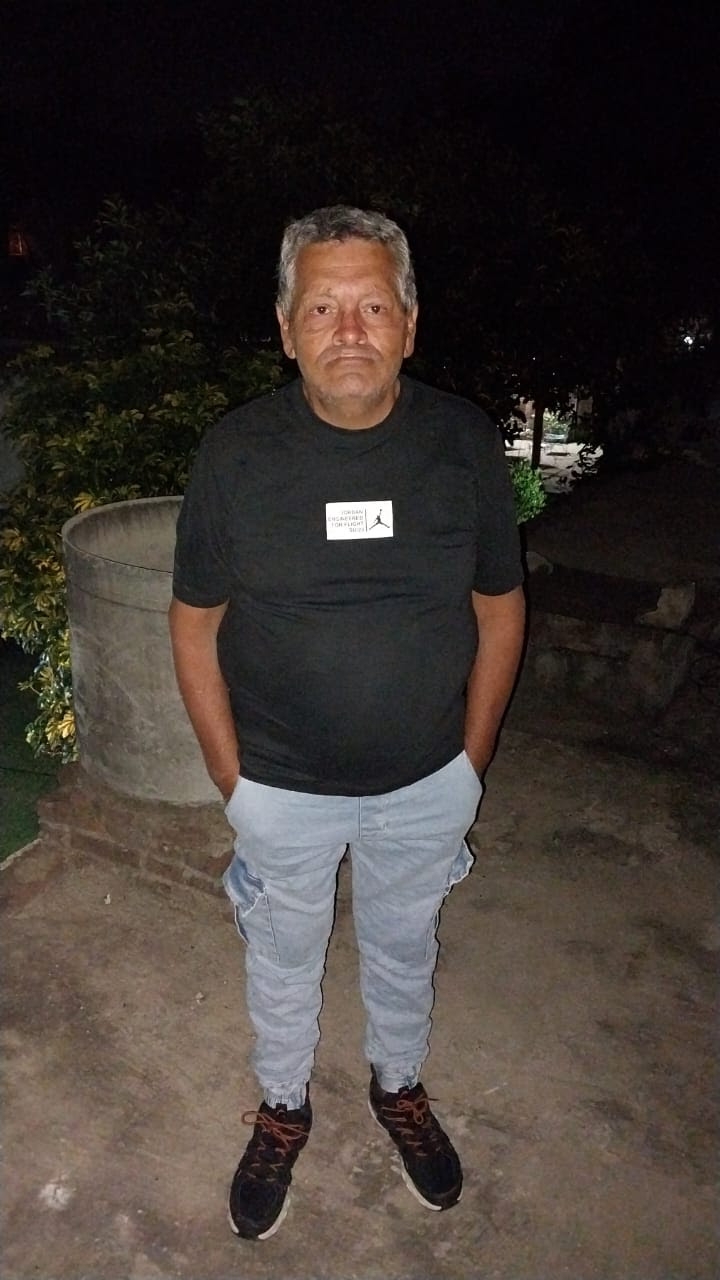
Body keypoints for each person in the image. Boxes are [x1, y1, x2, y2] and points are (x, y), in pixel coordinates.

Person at [169, 205, 526, 1241]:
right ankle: (284, 1104)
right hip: (280, 786)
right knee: (280, 955)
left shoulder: (461, 443)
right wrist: (232, 780)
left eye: (373, 305)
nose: (350, 330)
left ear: (410, 322)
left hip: (427, 779)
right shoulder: (237, 454)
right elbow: (194, 623)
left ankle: (398, 1083)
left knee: (405, 944)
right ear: (287, 330)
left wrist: (470, 761)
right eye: (322, 307)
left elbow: (501, 606)